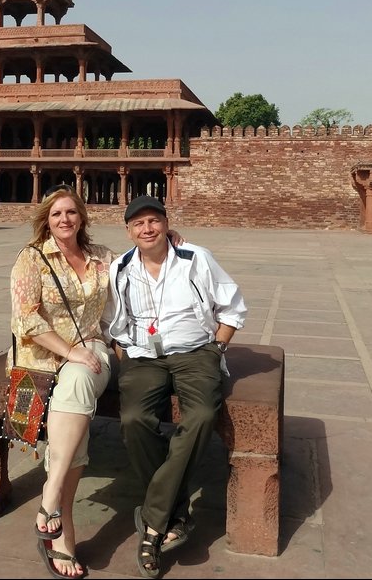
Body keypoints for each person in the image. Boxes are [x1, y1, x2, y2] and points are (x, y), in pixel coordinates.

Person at [102, 195, 247, 579]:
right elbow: (113, 323)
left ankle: (152, 522)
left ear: (166, 223)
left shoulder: (195, 257)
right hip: (142, 357)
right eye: (138, 224)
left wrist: (216, 346)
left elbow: (233, 306)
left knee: (200, 415)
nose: (147, 229)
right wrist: (125, 356)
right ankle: (175, 512)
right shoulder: (120, 268)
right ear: (128, 231)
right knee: (134, 419)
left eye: (153, 221)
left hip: (195, 352)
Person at [9, 184, 115, 579]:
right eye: (56, 214)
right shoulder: (31, 258)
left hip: (92, 350)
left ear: (82, 217)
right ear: (46, 220)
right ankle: (61, 526)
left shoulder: (103, 257)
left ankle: (51, 497)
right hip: (43, 358)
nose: (64, 220)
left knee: (83, 375)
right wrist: (70, 351)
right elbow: (26, 319)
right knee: (77, 391)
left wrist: (169, 238)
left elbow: (140, 266)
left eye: (71, 212)